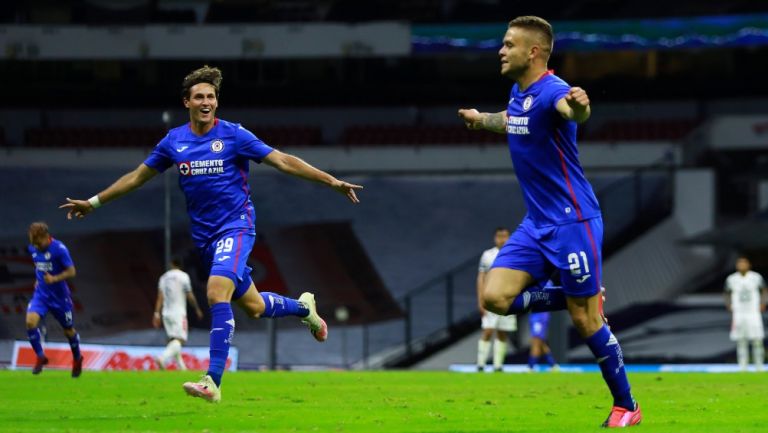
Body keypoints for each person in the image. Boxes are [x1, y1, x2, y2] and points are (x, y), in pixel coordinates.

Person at [60, 65, 363, 402]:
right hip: (205, 238)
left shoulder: (234, 135)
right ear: (186, 102)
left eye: (211, 96)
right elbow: (137, 176)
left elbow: (283, 160)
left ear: (217, 102)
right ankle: (305, 309)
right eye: (199, 97)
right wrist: (94, 202)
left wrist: (332, 181)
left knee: (217, 292)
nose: (206, 101)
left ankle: (212, 381)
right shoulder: (174, 141)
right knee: (254, 306)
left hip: (237, 226)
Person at [457, 16, 641, 427]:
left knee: (585, 320)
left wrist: (580, 105)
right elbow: (511, 119)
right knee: (494, 298)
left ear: (533, 51)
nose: (501, 51)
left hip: (573, 221)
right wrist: (480, 119)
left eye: (508, 44)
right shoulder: (519, 92)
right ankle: (576, 293)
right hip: (536, 223)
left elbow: (573, 111)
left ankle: (626, 405)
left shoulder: (555, 91)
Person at [25, 222, 83, 377]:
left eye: (38, 242)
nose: (36, 246)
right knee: (30, 322)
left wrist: (55, 278)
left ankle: (77, 358)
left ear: (46, 237)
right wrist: (39, 279)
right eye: (34, 243)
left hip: (60, 298)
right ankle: (40, 356)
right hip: (41, 295)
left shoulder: (59, 249)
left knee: (68, 331)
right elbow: (39, 264)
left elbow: (71, 272)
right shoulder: (33, 248)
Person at [152, 257, 205, 370]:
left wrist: (156, 313)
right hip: (178, 313)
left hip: (166, 313)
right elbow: (189, 294)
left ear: (172, 264)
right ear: (181, 265)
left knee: (173, 340)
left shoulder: (164, 277)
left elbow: (160, 297)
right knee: (180, 340)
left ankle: (182, 368)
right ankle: (162, 358)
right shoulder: (183, 276)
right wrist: (197, 308)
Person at [476, 227, 516, 372]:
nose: (502, 239)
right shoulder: (488, 255)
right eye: (499, 236)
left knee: (503, 332)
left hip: (508, 299)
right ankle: (481, 364)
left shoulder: (514, 254)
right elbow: (481, 277)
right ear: (495, 238)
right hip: (491, 298)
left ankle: (498, 365)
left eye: (505, 236)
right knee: (487, 330)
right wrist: (480, 299)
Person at [724, 255, 766, 371]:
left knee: (757, 340)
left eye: (744, 263)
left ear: (749, 265)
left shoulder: (756, 277)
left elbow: (764, 289)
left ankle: (759, 367)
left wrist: (763, 303)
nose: (742, 265)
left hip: (753, 312)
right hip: (739, 313)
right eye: (740, 263)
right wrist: (728, 304)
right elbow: (726, 292)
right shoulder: (731, 279)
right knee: (741, 340)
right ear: (737, 265)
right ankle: (743, 368)